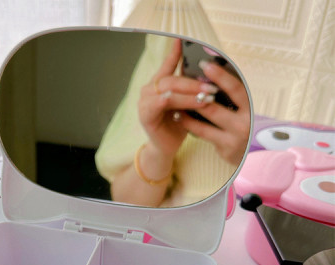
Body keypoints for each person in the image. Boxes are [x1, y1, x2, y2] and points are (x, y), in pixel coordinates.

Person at [95, 35, 250, 207]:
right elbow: (127, 203)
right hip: (172, 222)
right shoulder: (175, 26)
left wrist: (251, 154)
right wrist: (158, 150)